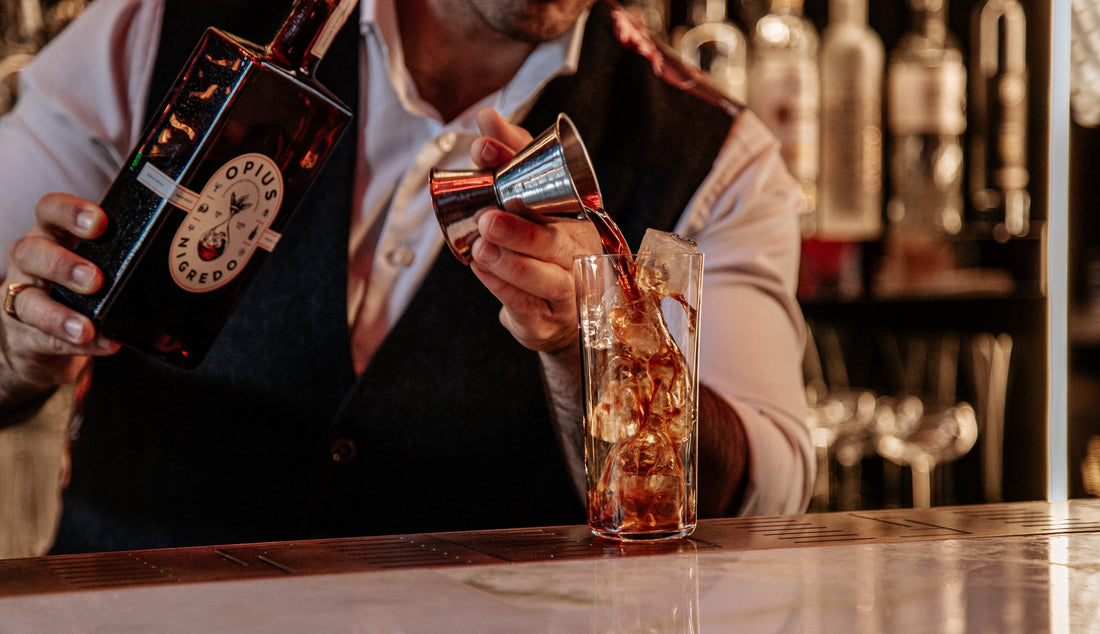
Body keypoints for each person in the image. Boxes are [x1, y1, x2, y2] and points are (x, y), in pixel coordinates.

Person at [0, 0, 813, 553]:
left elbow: (761, 500)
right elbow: (14, 297)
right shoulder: (160, 21)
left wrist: (595, 347)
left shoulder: (717, 158)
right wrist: (19, 346)